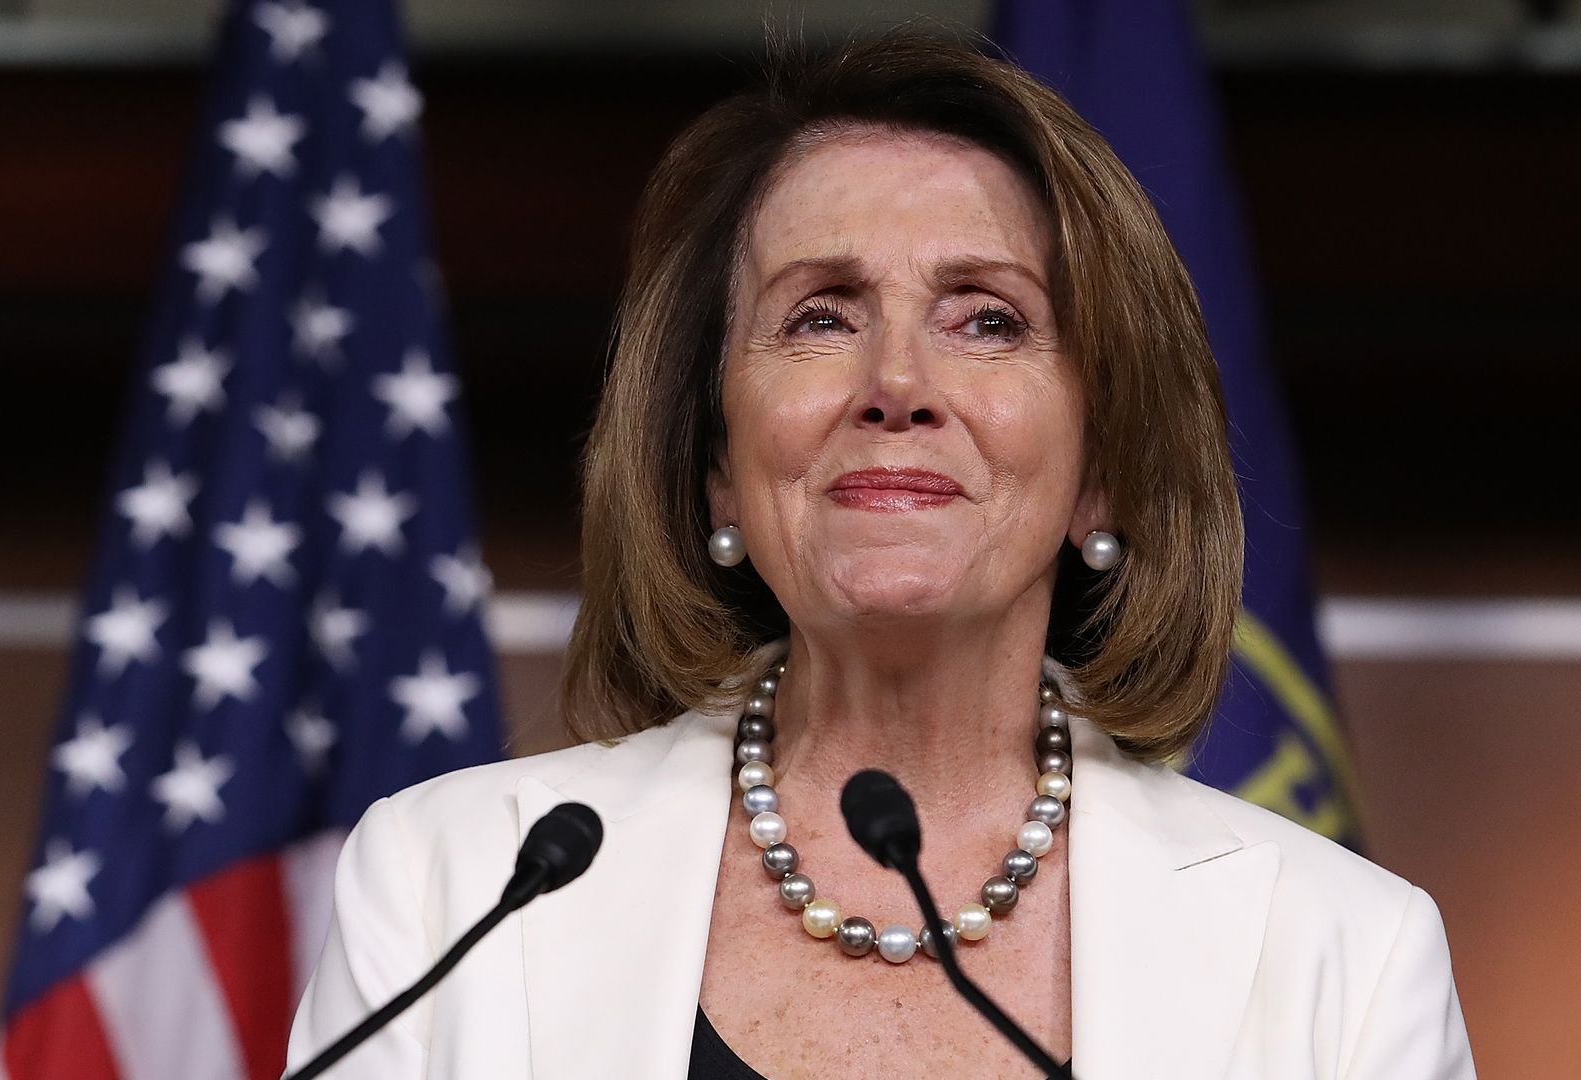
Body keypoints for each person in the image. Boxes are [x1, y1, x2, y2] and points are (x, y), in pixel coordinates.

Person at [285, 30, 1476, 1079]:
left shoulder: (1345, 954)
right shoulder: (450, 886)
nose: (896, 385)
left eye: (988, 318)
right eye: (820, 316)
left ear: (1102, 466)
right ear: (714, 463)